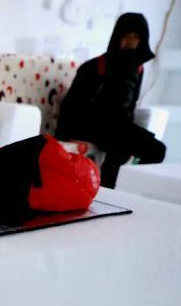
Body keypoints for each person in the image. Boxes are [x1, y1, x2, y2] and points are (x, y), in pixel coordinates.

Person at [56, 12, 166, 188]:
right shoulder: (96, 66)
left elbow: (130, 105)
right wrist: (61, 137)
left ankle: (128, 190)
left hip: (118, 127)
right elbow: (72, 106)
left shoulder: (138, 69)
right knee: (121, 146)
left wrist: (130, 130)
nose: (130, 41)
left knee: (156, 150)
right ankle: (107, 193)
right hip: (89, 125)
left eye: (135, 37)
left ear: (142, 40)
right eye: (126, 36)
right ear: (117, 37)